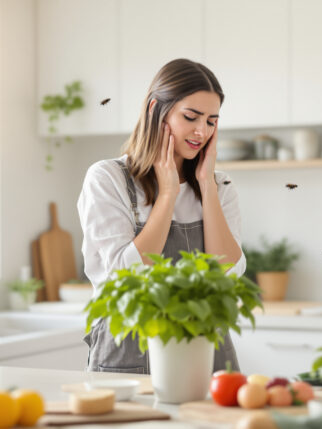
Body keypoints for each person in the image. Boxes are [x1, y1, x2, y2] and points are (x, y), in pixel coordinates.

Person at [77, 58, 246, 374]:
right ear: (156, 110)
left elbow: (225, 277)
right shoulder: (107, 178)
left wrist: (207, 185)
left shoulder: (220, 186)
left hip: (206, 351)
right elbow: (125, 279)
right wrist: (167, 195)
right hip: (130, 352)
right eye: (191, 117)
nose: (201, 131)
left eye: (211, 121)